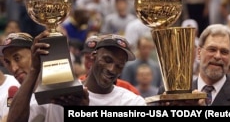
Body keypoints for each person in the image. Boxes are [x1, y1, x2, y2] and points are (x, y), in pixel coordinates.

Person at [7, 31, 146, 122]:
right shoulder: (60, 93)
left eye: (119, 65)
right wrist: (34, 69)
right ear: (93, 57)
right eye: (108, 60)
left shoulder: (132, 102)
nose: (112, 69)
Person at [158, 24, 230, 105]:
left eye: (224, 52)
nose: (218, 56)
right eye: (212, 49)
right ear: (199, 52)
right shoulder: (171, 93)